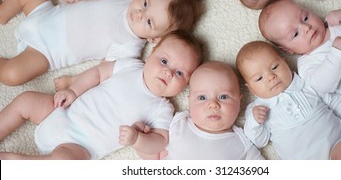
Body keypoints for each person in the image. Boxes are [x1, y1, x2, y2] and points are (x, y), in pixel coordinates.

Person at [0, 30, 203, 160]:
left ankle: (14, 162)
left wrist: (137, 139)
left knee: (63, 165)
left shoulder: (162, 108)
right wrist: (73, 90)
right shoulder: (131, 66)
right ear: (151, 54)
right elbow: (97, 73)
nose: (168, 72)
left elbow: (160, 140)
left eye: (179, 73)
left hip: (79, 145)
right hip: (62, 111)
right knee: (26, 100)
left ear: (187, 84)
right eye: (165, 62)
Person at [0, 0, 199, 87]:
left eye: (148, 21)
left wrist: (74, 82)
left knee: (12, 75)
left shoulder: (129, 46)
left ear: (155, 38)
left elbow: (101, 72)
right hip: (45, 12)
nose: (140, 13)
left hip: (46, 51)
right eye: (146, 3)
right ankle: (3, 13)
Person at [259, 0, 341, 127]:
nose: (306, 27)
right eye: (295, 34)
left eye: (305, 18)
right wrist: (338, 54)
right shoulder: (307, 63)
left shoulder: (338, 23)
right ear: (288, 50)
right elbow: (323, 85)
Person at [235, 41, 341, 159]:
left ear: (285, 62)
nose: (271, 77)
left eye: (275, 67)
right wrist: (254, 123)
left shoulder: (308, 82)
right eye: (259, 78)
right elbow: (260, 141)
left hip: (335, 149)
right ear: (251, 89)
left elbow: (336, 102)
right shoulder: (257, 110)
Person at [158, 61, 263, 160]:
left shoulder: (242, 142)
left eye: (223, 97)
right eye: (202, 98)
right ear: (189, 101)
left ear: (239, 103)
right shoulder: (178, 123)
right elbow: (154, 149)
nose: (213, 105)